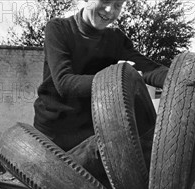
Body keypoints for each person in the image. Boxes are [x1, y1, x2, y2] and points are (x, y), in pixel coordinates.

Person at [33, 0, 168, 153]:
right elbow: (64, 83)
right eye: (105, 1)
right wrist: (118, 79)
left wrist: (185, 77)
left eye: (118, 5)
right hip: (53, 133)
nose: (110, 10)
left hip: (92, 134)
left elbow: (150, 70)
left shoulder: (116, 39)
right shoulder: (58, 29)